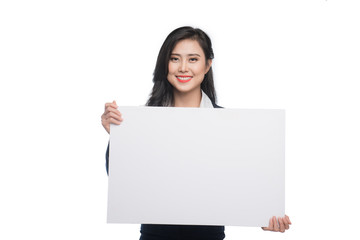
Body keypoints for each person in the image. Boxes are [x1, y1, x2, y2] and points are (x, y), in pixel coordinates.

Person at [101, 26, 291, 239]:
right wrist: (117, 137)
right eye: (174, 59)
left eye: (193, 59)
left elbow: (242, 185)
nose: (183, 68)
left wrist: (263, 216)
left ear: (207, 64)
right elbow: (124, 183)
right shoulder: (142, 123)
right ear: (165, 63)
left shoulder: (232, 127)